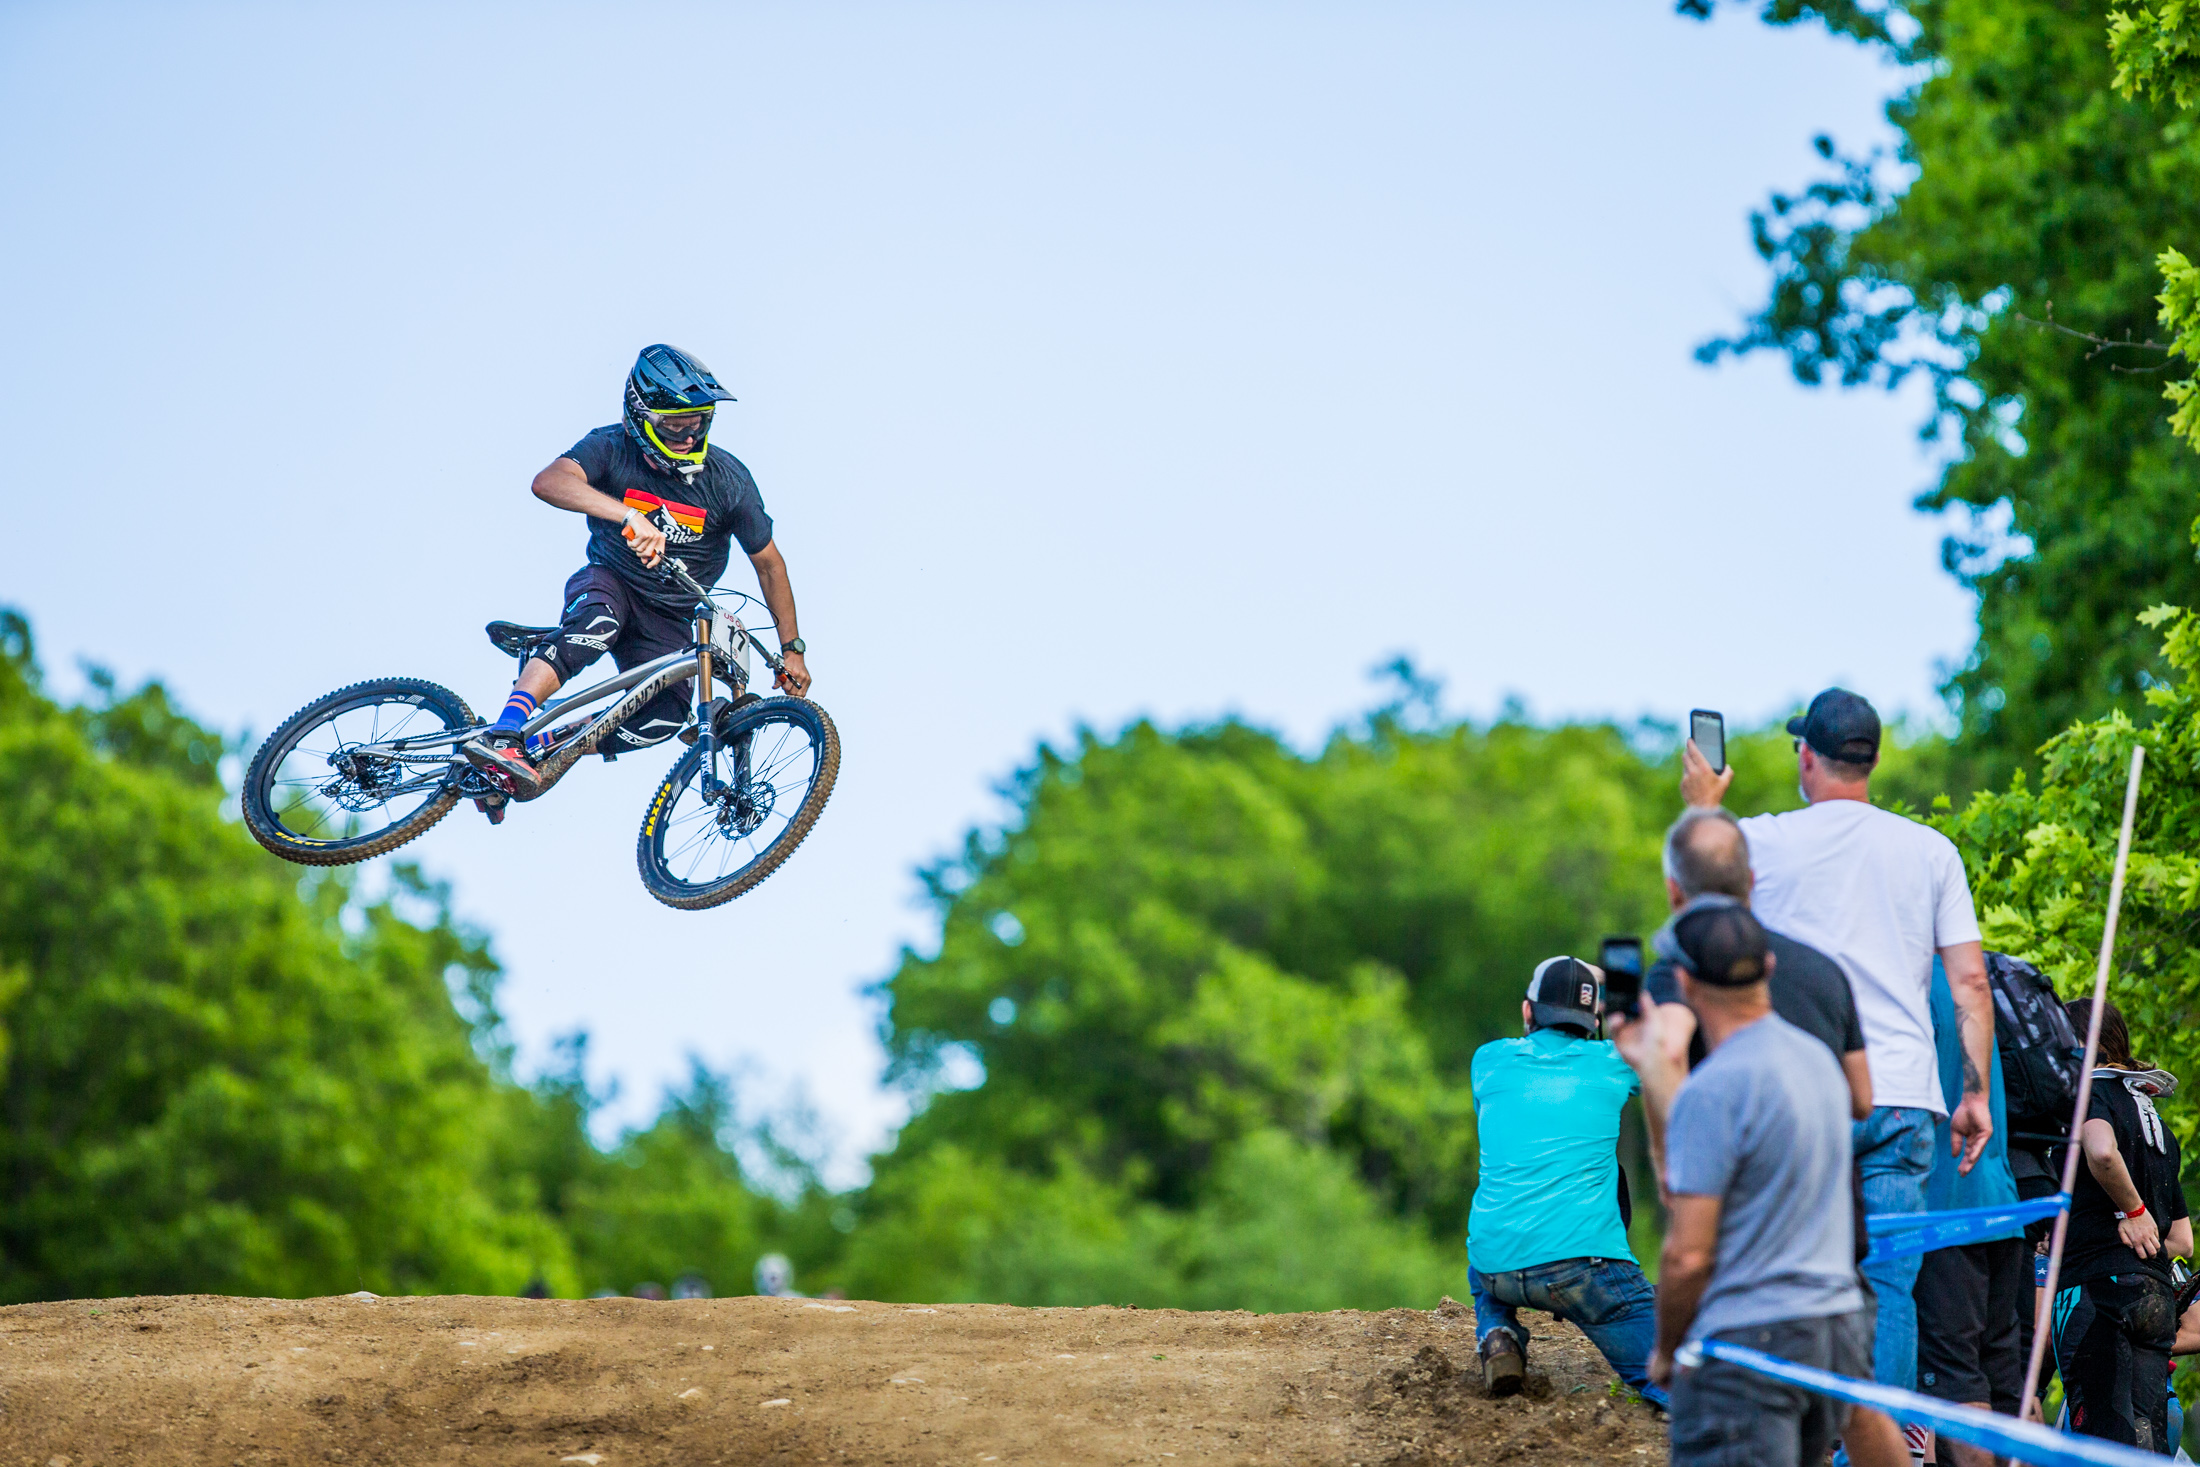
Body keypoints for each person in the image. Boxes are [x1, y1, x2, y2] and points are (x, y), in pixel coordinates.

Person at [1682, 686, 1992, 1412]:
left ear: (1806, 757)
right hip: (1908, 1096)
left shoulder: (1763, 840)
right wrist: (1973, 1092)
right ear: (1875, 759)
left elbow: (1699, 897)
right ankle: (1887, 1446)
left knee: (1781, 1265)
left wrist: (1702, 806)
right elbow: (1970, 980)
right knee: (1887, 1280)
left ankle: (1791, 1430)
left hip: (1802, 1092)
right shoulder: (1931, 850)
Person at [464, 344, 812, 795]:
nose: (688, 437)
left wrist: (793, 650)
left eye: (699, 423)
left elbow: (769, 565)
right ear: (640, 416)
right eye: (674, 426)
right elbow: (549, 482)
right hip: (613, 582)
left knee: (664, 718)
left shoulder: (729, 481)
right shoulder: (609, 446)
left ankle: (542, 747)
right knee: (597, 622)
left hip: (670, 617)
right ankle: (504, 734)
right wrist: (628, 515)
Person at [1610, 902, 1870, 1467]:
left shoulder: (1715, 1087)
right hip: (1832, 1332)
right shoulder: (1821, 1063)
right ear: (1769, 967)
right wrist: (1651, 1067)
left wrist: (1666, 1349)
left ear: (1682, 981)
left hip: (1747, 1347)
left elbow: (1688, 1254)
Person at [1466, 956, 1667, 1409]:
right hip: (1584, 1269)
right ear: (1594, 1020)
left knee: (1492, 1223)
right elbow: (1666, 1051)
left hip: (1496, 1265)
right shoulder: (1615, 1061)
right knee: (1670, 1377)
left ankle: (1498, 1332)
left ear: (1527, 1011)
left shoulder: (1489, 1060)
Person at [1643, 807, 1871, 1118]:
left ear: (1674, 892)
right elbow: (1861, 1100)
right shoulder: (1825, 969)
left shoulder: (1678, 969)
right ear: (1751, 881)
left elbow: (1670, 1049)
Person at [2051, 997, 2190, 1452]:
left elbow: (2102, 1151)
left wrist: (2131, 1211)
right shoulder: (2159, 1126)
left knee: (2103, 1446)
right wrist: (2143, 1223)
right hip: (2155, 1302)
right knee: (2146, 1446)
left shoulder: (2089, 1092)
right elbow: (2181, 1239)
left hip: (2097, 1288)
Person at [1914, 959, 2024, 1467]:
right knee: (2007, 1390)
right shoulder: (1964, 981)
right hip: (2002, 1206)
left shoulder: (1900, 976)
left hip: (1942, 1208)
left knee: (1957, 1389)